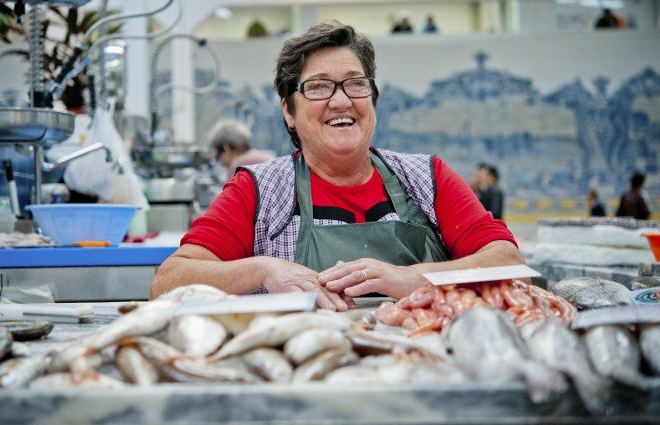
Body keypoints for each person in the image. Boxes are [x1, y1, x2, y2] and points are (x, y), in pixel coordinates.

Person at [150, 21, 524, 310]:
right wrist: (261, 270)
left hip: (423, 366)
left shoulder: (426, 177)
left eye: (355, 84)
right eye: (318, 87)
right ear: (288, 111)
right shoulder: (259, 191)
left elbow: (506, 260)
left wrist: (414, 278)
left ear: (372, 98)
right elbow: (168, 282)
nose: (341, 100)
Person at [207, 119, 275, 180]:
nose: (220, 161)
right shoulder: (266, 158)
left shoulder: (238, 166)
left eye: (217, 156)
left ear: (226, 149)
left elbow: (231, 193)